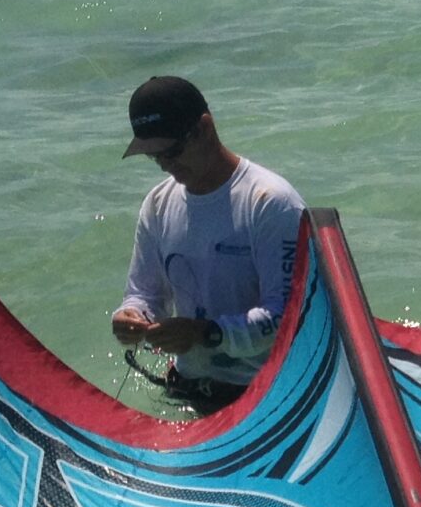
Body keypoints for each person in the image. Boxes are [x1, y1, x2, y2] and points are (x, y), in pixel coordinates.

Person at [110, 77, 304, 412]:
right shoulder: (157, 204)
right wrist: (132, 317)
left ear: (204, 128)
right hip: (188, 390)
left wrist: (206, 333)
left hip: (266, 396)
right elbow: (145, 294)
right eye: (154, 156)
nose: (166, 165)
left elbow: (287, 318)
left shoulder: (271, 203)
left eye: (171, 151)